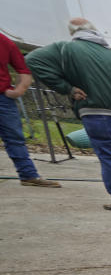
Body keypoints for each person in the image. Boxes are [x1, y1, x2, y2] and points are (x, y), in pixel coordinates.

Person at [25, 18, 111, 211]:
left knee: (110, 160)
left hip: (96, 114)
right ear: (96, 32)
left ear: (73, 33)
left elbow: (32, 60)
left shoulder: (64, 49)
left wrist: (67, 88)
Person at [0, 33, 60, 188]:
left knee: (14, 138)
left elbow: (24, 71)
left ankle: (28, 176)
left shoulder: (5, 42)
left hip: (3, 99)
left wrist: (18, 91)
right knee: (14, 138)